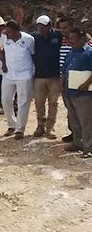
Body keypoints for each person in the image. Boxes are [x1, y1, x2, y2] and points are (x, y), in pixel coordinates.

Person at [1, 20, 35, 140]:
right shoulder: (5, 38)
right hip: (8, 74)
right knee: (5, 100)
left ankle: (20, 129)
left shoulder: (28, 39)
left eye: (9, 31)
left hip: (24, 74)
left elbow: (33, 54)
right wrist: (4, 64)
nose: (6, 33)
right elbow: (2, 51)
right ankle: (12, 125)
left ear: (16, 31)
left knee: (23, 102)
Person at [62, 27, 92, 158]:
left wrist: (86, 84)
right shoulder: (71, 53)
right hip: (69, 92)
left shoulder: (89, 53)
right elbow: (65, 70)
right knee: (73, 120)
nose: (70, 41)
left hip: (83, 94)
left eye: (73, 39)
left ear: (81, 39)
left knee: (86, 122)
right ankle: (77, 143)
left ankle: (88, 148)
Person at [31, 15, 62, 139]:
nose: (42, 29)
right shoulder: (34, 37)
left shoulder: (58, 35)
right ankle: (40, 126)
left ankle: (50, 127)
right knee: (39, 102)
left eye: (44, 26)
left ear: (50, 25)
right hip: (39, 75)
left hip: (55, 75)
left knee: (53, 102)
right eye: (40, 26)